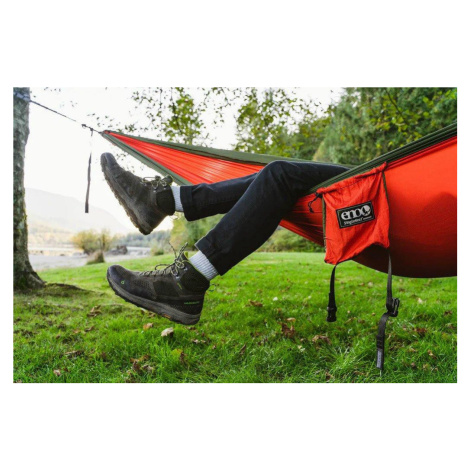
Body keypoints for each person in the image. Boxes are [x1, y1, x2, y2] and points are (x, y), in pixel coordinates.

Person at [102, 153, 348, 325]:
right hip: (371, 178)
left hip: (372, 183)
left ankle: (187, 280)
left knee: (280, 174)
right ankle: (161, 202)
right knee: (273, 175)